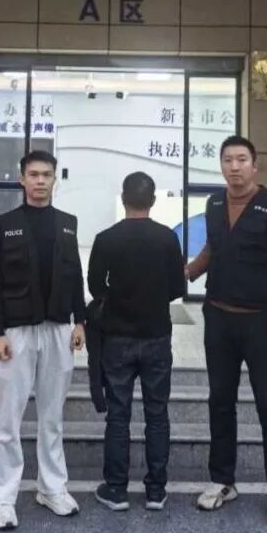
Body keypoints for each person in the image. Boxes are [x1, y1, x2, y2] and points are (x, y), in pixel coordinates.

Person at [185, 135, 267, 526]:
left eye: (241, 159)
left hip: (262, 322)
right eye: (227, 160)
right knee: (220, 401)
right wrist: (185, 272)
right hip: (218, 317)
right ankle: (223, 481)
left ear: (255, 164)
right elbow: (213, 249)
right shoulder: (215, 204)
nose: (233, 167)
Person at [0, 150, 87, 531]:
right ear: (22, 179)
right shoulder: (5, 224)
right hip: (17, 332)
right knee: (8, 420)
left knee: (52, 417)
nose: (40, 180)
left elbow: (75, 276)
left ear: (54, 179)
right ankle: (1, 498)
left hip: (58, 329)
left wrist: (81, 322)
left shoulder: (67, 224)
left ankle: (52, 488)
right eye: (34, 174)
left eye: (46, 174)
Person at [87, 172, 186, 513]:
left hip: (117, 338)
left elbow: (95, 286)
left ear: (123, 197)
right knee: (157, 414)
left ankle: (116, 489)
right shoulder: (167, 238)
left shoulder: (106, 239)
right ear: (153, 200)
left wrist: (118, 298)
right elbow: (178, 287)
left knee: (118, 415)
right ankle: (156, 490)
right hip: (157, 336)